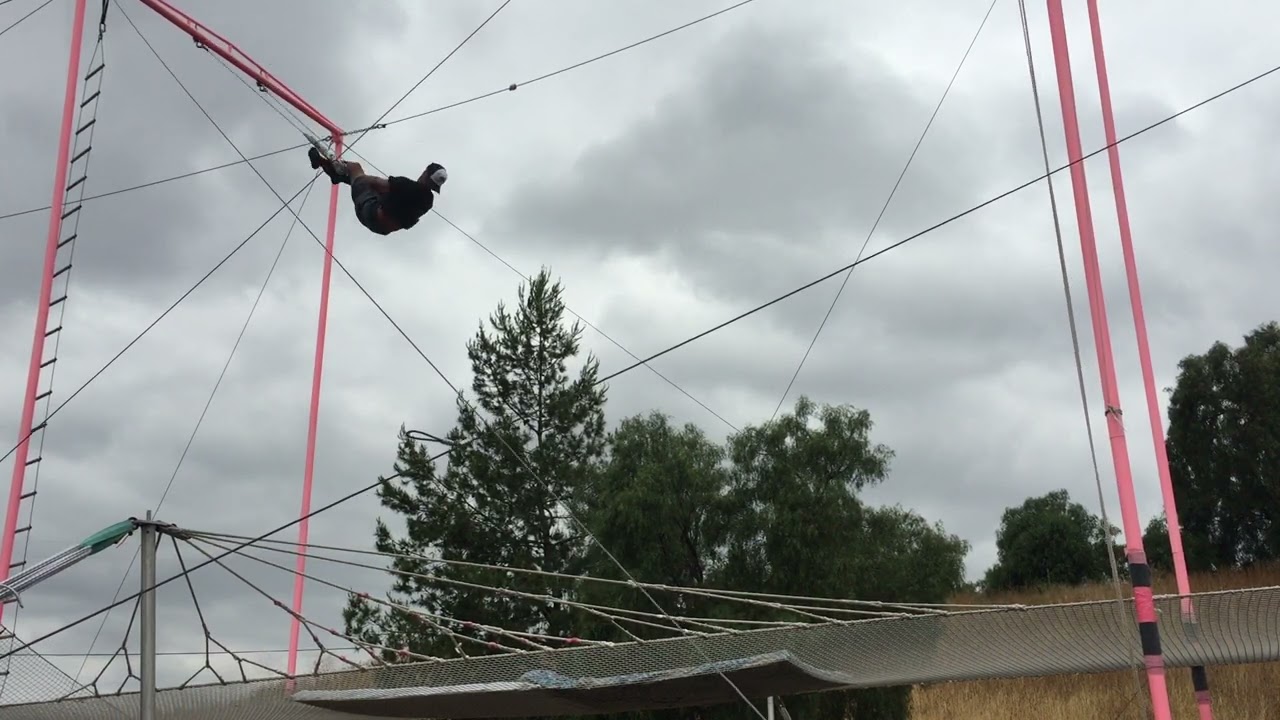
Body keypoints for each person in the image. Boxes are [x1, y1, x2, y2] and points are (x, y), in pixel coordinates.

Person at [304, 135, 446, 236]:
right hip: (382, 228)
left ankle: (336, 172)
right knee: (365, 186)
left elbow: (375, 182)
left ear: (426, 173)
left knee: (356, 169)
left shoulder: (408, 186)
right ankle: (336, 174)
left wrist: (356, 174)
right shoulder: (428, 202)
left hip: (369, 212)